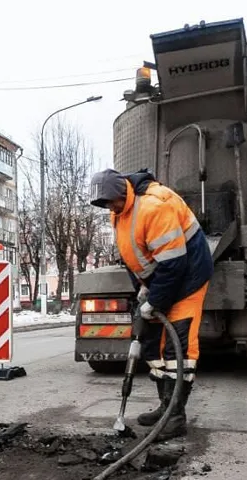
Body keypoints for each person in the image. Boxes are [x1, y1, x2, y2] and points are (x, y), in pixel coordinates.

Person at [89, 168, 213, 440]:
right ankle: (165, 407)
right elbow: (136, 256)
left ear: (123, 192)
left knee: (176, 347)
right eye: (105, 204)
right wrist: (143, 289)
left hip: (187, 278)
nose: (110, 207)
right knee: (152, 346)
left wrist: (155, 299)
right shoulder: (120, 212)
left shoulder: (154, 207)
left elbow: (173, 264)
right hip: (162, 281)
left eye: (111, 201)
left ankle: (176, 417)